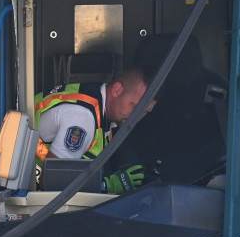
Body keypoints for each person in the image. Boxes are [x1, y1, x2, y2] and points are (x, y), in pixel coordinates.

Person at [32, 65, 156, 193]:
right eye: (135, 107)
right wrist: (107, 186)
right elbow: (51, 182)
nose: (137, 117)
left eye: (144, 113)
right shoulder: (83, 118)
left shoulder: (97, 104)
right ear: (117, 90)